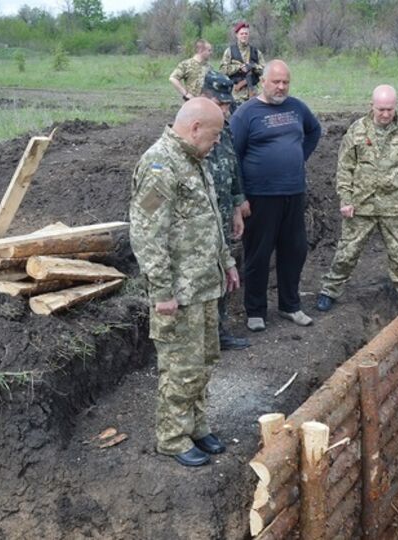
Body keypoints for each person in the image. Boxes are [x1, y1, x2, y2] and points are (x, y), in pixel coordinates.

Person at [129, 98, 240, 467]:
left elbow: (209, 219)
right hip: (179, 293)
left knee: (205, 360)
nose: (217, 142)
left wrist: (226, 262)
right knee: (181, 367)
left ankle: (196, 425)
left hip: (205, 285)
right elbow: (147, 235)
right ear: (195, 129)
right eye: (214, 135)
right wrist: (161, 291)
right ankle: (173, 437)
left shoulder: (195, 162)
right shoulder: (161, 167)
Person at [316, 85, 398, 314]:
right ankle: (329, 291)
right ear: (372, 106)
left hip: (394, 206)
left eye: (390, 109)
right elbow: (345, 167)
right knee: (347, 251)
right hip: (361, 204)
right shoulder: (357, 130)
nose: (386, 114)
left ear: (395, 106)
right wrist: (345, 199)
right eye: (381, 109)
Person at [229, 60, 322, 332]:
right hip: (260, 197)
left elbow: (314, 131)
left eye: (285, 82)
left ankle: (290, 306)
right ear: (263, 82)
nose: (281, 87)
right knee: (258, 255)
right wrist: (240, 198)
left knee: (295, 251)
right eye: (276, 82)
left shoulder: (297, 108)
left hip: (293, 193)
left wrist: (297, 157)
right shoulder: (246, 114)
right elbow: (233, 156)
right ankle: (256, 311)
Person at [200, 71, 250, 351]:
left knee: (224, 271)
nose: (226, 110)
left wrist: (236, 206)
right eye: (221, 105)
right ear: (204, 98)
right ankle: (202, 336)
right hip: (200, 220)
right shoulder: (191, 127)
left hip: (222, 212)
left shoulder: (225, 129)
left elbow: (233, 168)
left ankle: (219, 331)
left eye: (227, 105)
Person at [220, 21, 264, 105]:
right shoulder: (230, 51)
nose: (244, 35)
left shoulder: (255, 52)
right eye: (242, 33)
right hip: (236, 94)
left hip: (253, 93)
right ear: (237, 35)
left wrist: (253, 67)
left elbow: (264, 70)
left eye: (246, 34)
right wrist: (238, 68)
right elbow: (222, 70)